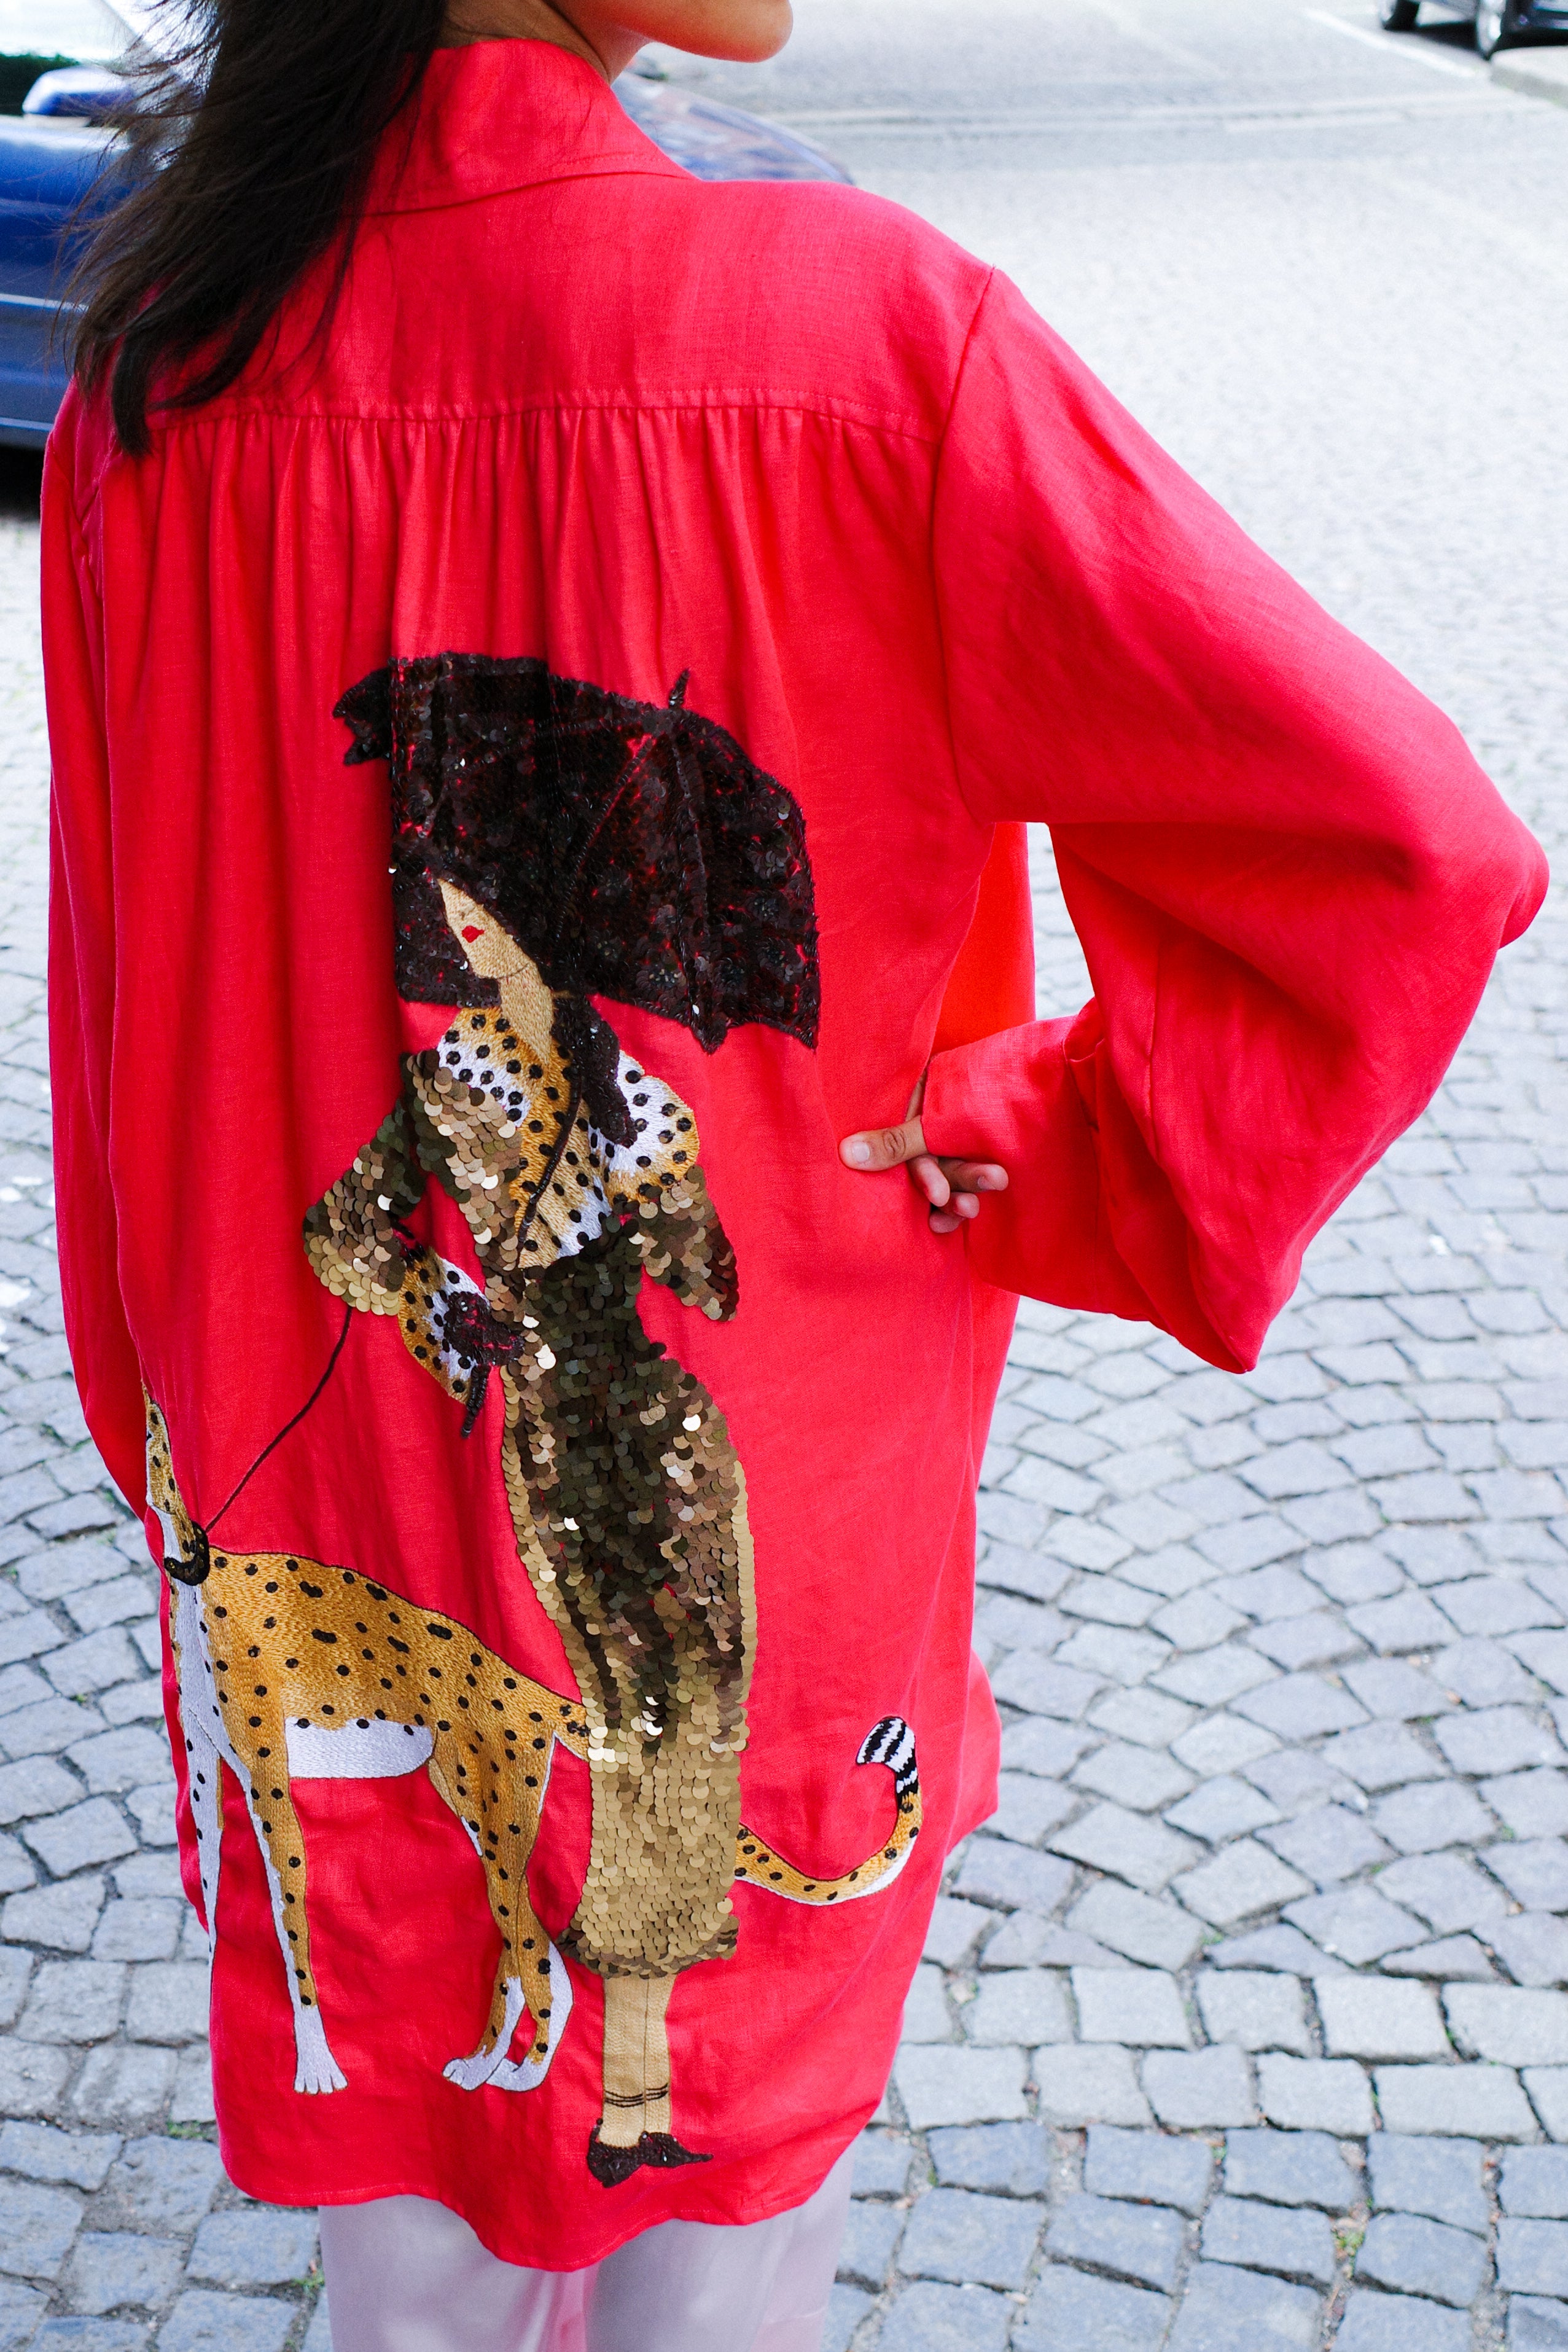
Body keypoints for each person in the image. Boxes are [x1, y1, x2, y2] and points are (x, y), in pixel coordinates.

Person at [41, 0, 1545, 2340]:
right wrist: (1050, 1155)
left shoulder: (176, 363)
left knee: (401, 2261)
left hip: (303, 1481)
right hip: (766, 1472)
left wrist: (175, 1426)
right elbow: (1391, 850)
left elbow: (136, 1011)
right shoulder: (867, 344)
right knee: (712, 2226)